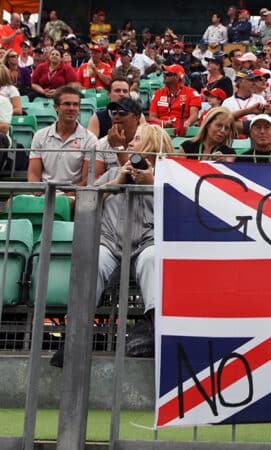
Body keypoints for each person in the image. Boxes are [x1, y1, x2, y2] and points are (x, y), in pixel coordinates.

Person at [92, 123, 169, 359]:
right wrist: (118, 182)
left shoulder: (167, 179)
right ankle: (77, 331)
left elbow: (179, 210)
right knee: (93, 260)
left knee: (151, 259)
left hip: (148, 244)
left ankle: (156, 329)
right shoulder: (113, 173)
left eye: (137, 139)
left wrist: (151, 184)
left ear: (151, 146)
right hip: (110, 243)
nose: (130, 144)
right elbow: (89, 200)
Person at [28, 86, 101, 185]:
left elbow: (86, 180)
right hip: (44, 194)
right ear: (56, 107)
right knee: (11, 201)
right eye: (67, 104)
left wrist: (65, 198)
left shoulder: (90, 139)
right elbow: (33, 175)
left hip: (74, 197)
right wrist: (40, 194)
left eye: (75, 105)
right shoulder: (40, 135)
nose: (72, 108)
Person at [148, 64, 201, 134]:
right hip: (161, 131)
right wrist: (164, 123)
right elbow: (152, 117)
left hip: (182, 131)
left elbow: (193, 116)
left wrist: (187, 123)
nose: (164, 76)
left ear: (177, 77)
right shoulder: (158, 93)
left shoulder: (192, 93)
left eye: (167, 74)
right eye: (164, 73)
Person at [95, 97, 142, 171]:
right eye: (113, 113)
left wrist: (119, 148)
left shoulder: (147, 141)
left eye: (122, 112)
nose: (116, 117)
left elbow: (141, 177)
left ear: (137, 117)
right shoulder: (101, 144)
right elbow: (95, 179)